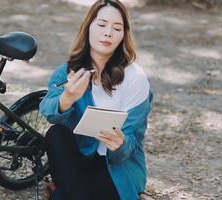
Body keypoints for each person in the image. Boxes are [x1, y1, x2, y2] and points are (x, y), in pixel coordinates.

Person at [39, 0, 153, 199]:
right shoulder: (68, 72)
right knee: (56, 134)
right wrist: (67, 98)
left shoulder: (135, 77)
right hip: (80, 159)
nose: (108, 32)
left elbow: (132, 143)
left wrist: (120, 144)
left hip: (116, 166)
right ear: (88, 27)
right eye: (101, 25)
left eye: (116, 28)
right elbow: (48, 111)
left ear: (123, 35)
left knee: (64, 196)